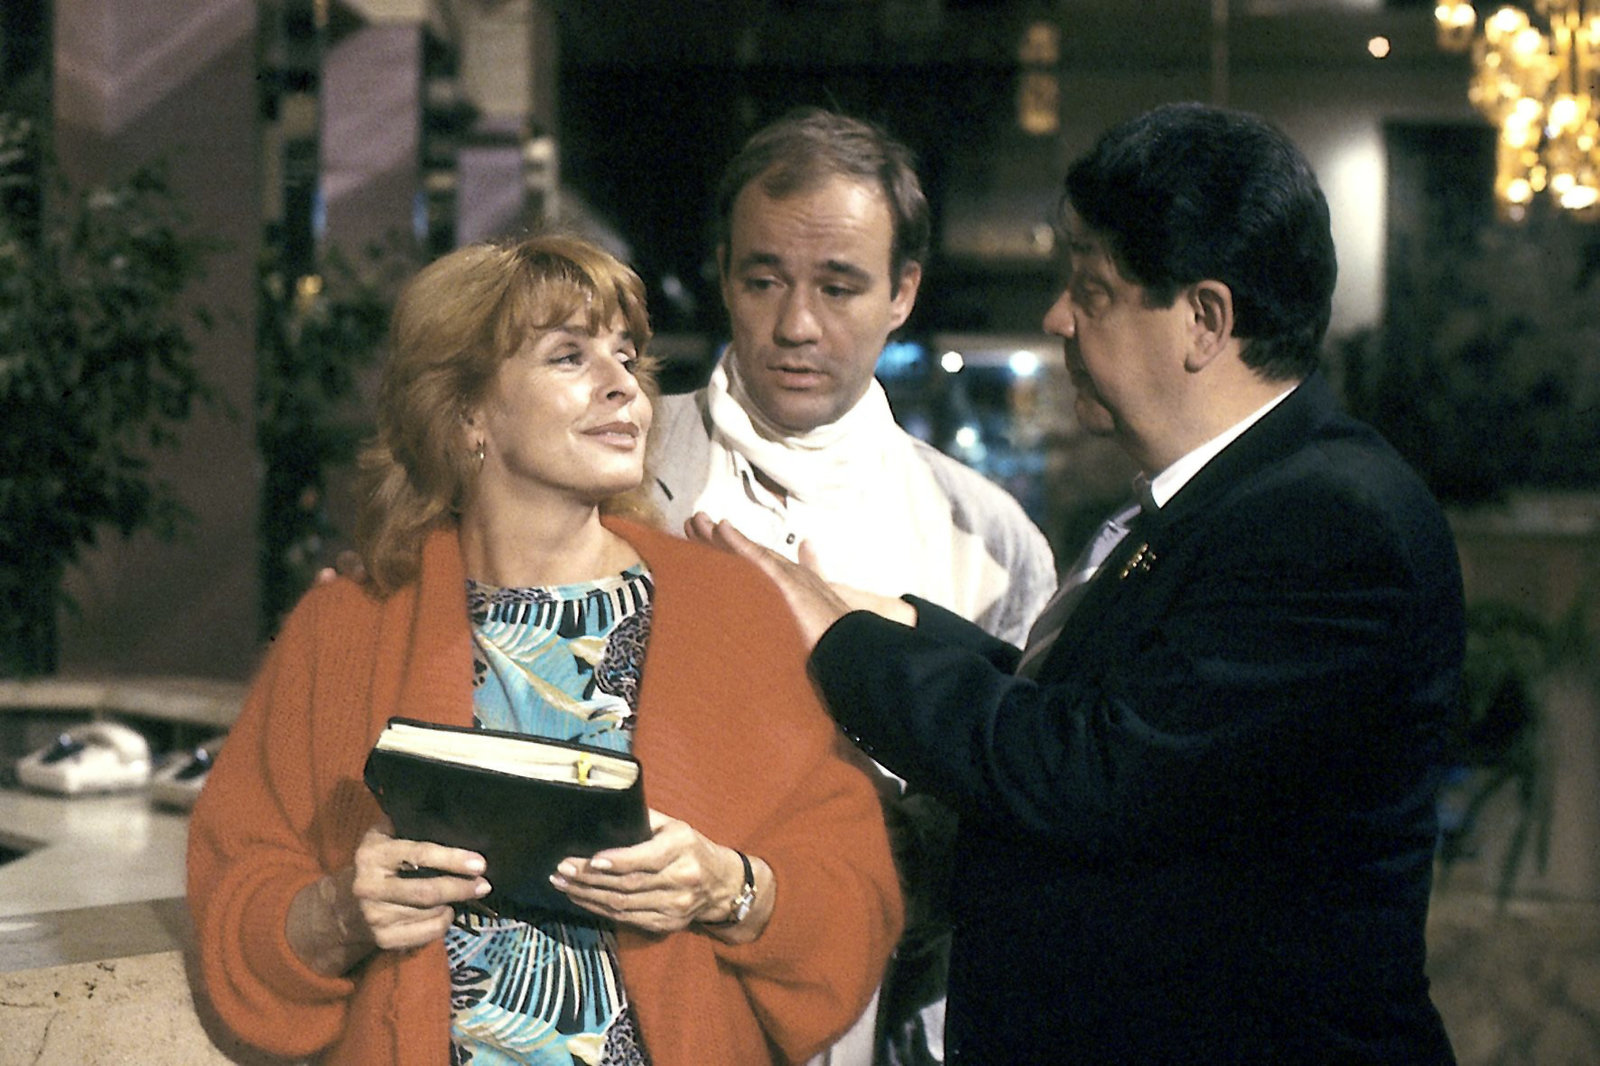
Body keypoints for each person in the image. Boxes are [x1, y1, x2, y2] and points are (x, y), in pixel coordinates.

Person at [693, 102, 1464, 1063]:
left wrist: (839, 642)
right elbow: (1104, 711)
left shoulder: (1328, 521)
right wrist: (892, 619)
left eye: (1092, 291)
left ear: (1205, 320)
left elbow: (1088, 771)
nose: (1057, 317)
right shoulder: (1235, 497)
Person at [188, 234, 902, 1066]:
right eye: (569, 356)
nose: (623, 384)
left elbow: (853, 895)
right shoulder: (346, 625)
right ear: (466, 413)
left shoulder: (732, 612)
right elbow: (236, 890)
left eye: (626, 355)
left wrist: (729, 886)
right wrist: (340, 912)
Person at [650, 107, 1056, 1066]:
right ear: (722, 275)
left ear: (903, 291)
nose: (797, 326)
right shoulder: (613, 470)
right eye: (764, 281)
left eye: (839, 287)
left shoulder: (988, 536)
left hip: (877, 1012)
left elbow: (1021, 813)